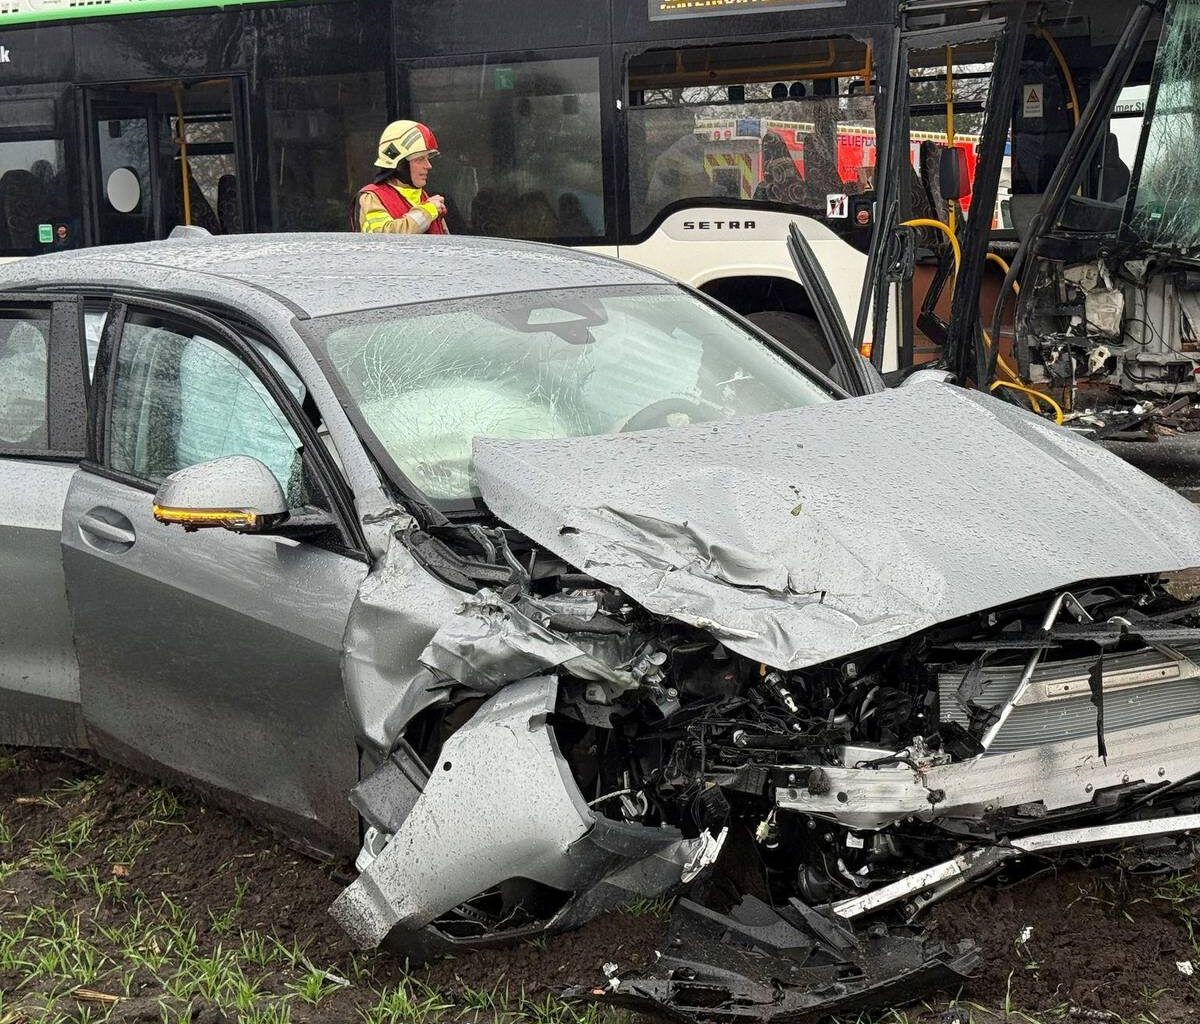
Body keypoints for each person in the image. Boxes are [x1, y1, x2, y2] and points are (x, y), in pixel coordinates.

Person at [352, 120, 448, 235]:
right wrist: (427, 211)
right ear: (399, 164)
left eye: (427, 158)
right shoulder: (372, 198)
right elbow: (384, 239)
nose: (428, 166)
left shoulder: (425, 198)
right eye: (420, 159)